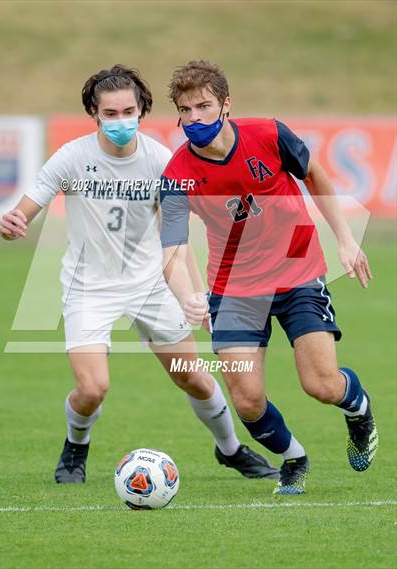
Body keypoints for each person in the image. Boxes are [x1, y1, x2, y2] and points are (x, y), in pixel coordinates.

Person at [0, 64, 279, 485]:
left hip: (150, 284)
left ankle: (231, 449)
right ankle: (77, 446)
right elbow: (25, 209)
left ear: (142, 110)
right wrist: (14, 222)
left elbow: (176, 240)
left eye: (127, 111)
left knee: (194, 377)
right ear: (94, 114)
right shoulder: (72, 158)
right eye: (109, 114)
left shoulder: (161, 162)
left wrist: (193, 293)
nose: (119, 121)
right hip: (88, 288)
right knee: (92, 389)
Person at [160, 60, 378, 495]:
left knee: (320, 384)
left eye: (204, 106)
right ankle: (294, 457)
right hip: (233, 287)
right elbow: (172, 248)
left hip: (297, 270)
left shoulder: (269, 135)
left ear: (226, 104)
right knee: (246, 399)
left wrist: (346, 239)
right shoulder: (176, 176)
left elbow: (314, 174)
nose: (195, 118)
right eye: (186, 110)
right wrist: (187, 295)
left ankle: (358, 410)